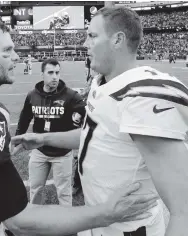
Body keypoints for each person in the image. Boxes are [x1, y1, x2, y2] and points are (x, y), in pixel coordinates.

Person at [0, 18, 158, 236]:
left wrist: (43, 138)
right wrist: (107, 213)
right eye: (7, 51)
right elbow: (20, 221)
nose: (17, 57)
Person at [12, 6, 188, 236]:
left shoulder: (141, 97)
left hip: (129, 228)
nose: (85, 43)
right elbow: (94, 136)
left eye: (92, 36)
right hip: (97, 216)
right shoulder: (102, 82)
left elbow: (182, 210)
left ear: (117, 40)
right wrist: (43, 138)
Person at [16, 58, 86, 205]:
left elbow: (86, 113)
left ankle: (66, 225)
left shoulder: (71, 96)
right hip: (39, 151)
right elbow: (24, 119)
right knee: (35, 190)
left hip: (62, 153)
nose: (55, 76)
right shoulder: (32, 95)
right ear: (42, 74)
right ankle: (36, 221)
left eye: (57, 72)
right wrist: (17, 139)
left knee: (64, 193)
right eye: (50, 72)